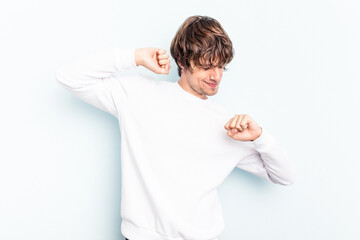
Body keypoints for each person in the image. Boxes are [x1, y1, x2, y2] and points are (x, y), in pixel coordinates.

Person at [55, 15, 296, 240]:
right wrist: (135, 57)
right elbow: (69, 77)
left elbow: (284, 176)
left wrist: (260, 138)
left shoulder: (229, 126)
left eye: (221, 66)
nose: (216, 76)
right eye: (206, 66)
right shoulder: (140, 95)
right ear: (181, 61)